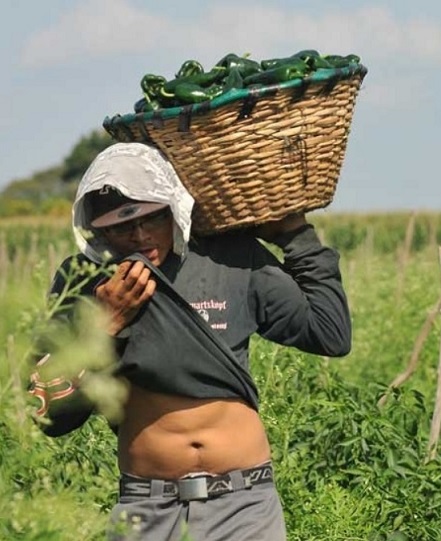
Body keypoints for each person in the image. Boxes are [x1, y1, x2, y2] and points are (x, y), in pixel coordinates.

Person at [28, 142, 352, 540]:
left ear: (174, 209)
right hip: (147, 507)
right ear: (98, 230)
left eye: (153, 219)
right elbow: (47, 409)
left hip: (244, 502)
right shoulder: (85, 280)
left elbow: (329, 333)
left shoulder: (228, 259)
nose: (140, 235)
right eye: (121, 227)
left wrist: (295, 235)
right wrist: (105, 323)